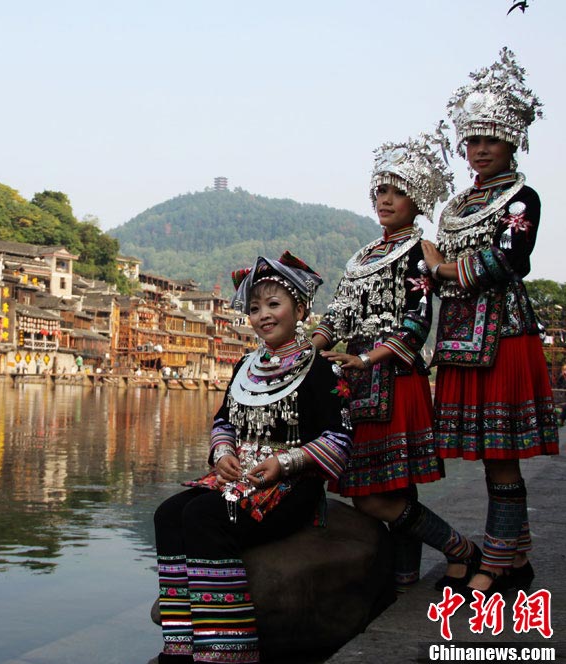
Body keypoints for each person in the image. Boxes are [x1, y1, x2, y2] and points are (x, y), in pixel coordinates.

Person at [153, 252, 352, 663]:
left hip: (289, 486)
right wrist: (223, 453)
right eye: (255, 307)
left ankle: (229, 648)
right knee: (167, 514)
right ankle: (182, 639)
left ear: (300, 309)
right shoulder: (246, 365)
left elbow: (339, 438)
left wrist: (285, 463)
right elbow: (224, 420)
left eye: (273, 304)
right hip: (239, 477)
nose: (263, 315)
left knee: (204, 517)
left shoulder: (319, 370)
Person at [313, 130, 481, 592]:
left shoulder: (420, 255)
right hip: (356, 379)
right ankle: (404, 580)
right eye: (380, 191)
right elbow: (340, 312)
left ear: (417, 199)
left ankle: (458, 548)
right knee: (396, 489)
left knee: (374, 496)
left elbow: (416, 322)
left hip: (394, 378)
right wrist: (314, 343)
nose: (385, 200)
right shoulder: (364, 255)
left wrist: (367, 357)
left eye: (397, 192)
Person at [421, 48, 559, 597]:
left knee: (501, 456)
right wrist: (433, 272)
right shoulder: (456, 204)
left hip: (502, 335)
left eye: (491, 140)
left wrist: (442, 265)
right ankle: (511, 557)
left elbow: (508, 261)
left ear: (512, 143)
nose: (480, 150)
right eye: (472, 141)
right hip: (459, 337)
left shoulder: (523, 198)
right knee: (487, 458)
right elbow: (432, 279)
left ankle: (499, 565)